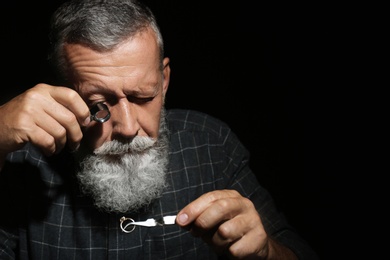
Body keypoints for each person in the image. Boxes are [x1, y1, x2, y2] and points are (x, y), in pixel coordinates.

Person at [0, 0, 318, 259]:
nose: (127, 127)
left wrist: (266, 253)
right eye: (98, 103)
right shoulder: (17, 162)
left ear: (164, 81)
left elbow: (296, 250)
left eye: (143, 97)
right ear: (61, 92)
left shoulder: (212, 144)